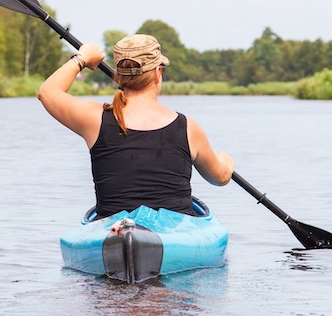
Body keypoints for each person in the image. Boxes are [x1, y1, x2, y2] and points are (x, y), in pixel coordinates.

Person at [37, 34, 234, 218]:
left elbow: (47, 92)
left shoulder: (95, 119)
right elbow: (220, 178)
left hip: (115, 229)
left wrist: (82, 58)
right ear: (158, 73)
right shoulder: (188, 128)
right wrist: (225, 163)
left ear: (118, 77)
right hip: (175, 233)